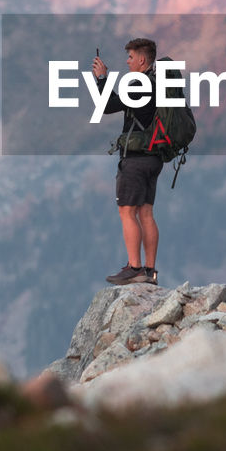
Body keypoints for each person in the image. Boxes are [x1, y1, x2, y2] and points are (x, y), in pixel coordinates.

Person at [91, 37, 162, 286]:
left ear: (142, 60)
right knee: (146, 213)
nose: (127, 61)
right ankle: (150, 271)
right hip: (155, 158)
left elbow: (107, 105)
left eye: (131, 57)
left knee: (127, 211)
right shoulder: (159, 83)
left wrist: (101, 79)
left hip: (136, 159)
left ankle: (134, 268)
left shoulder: (140, 85)